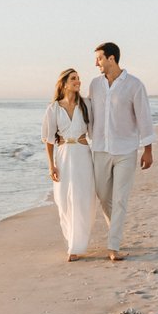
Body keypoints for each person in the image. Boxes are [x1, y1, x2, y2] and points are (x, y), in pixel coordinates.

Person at [87, 42, 157, 261]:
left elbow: (144, 117)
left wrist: (148, 150)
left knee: (119, 200)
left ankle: (113, 245)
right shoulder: (94, 85)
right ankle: (114, 230)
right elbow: (89, 112)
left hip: (126, 150)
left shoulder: (134, 85)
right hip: (100, 149)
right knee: (103, 194)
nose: (95, 62)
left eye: (99, 58)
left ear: (111, 59)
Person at [42, 68, 96, 261]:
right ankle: (72, 240)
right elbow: (48, 140)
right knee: (64, 201)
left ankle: (76, 246)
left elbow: (95, 133)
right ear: (64, 83)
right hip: (63, 157)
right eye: (74, 79)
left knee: (82, 200)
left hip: (83, 154)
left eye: (79, 78)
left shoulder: (86, 104)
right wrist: (51, 166)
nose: (78, 81)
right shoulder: (53, 108)